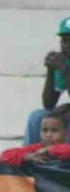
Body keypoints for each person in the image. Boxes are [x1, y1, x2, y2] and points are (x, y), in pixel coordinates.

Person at [22, 17, 70, 146]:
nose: (66, 45)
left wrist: (65, 71)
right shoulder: (65, 63)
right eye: (63, 40)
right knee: (39, 115)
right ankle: (31, 160)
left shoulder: (65, 67)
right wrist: (51, 71)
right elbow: (48, 104)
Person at [0, 112, 70, 166]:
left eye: (55, 130)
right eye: (45, 130)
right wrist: (27, 156)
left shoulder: (65, 147)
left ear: (66, 133)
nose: (49, 135)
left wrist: (48, 150)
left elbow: (67, 151)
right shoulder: (36, 148)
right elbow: (4, 156)